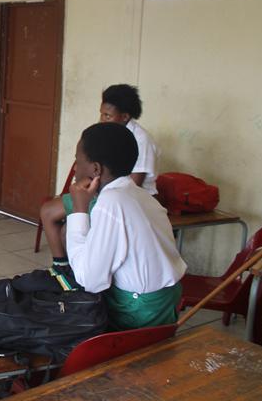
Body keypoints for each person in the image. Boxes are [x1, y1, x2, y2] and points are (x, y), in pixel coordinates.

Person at [65, 122, 186, 330]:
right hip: (164, 300)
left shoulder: (111, 202)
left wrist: (79, 209)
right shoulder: (138, 194)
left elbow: (90, 280)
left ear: (96, 169)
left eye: (78, 160)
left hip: (139, 310)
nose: (75, 168)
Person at [41, 83, 159, 271]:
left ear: (125, 116)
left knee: (68, 230)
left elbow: (132, 184)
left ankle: (74, 273)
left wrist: (89, 194)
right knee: (48, 211)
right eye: (101, 114)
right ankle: (61, 267)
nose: (102, 120)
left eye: (107, 116)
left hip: (123, 199)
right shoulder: (108, 135)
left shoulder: (140, 140)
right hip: (100, 191)